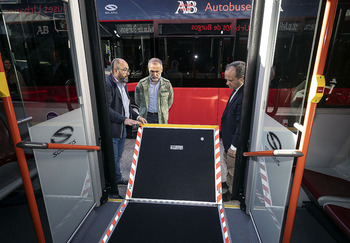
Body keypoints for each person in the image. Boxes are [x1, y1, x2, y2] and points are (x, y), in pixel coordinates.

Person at [106, 58, 147, 185]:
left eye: (128, 70)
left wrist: (137, 117)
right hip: (113, 129)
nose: (128, 73)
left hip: (121, 129)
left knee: (118, 157)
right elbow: (107, 110)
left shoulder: (122, 84)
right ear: (115, 70)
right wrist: (125, 120)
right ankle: (114, 184)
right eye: (125, 70)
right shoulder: (108, 84)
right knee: (113, 159)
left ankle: (117, 180)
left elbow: (127, 106)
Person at [220, 61, 245, 202]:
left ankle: (231, 192)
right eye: (226, 79)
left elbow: (240, 124)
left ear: (241, 78)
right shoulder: (237, 90)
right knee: (228, 163)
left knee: (232, 167)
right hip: (228, 139)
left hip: (233, 143)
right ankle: (228, 183)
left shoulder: (242, 96)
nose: (227, 83)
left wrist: (234, 146)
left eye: (230, 80)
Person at [135, 58, 174, 124]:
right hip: (146, 117)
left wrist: (163, 110)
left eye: (157, 71)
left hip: (161, 117)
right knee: (147, 134)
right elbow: (137, 101)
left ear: (161, 70)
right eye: (152, 71)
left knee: (161, 134)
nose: (155, 74)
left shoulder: (167, 84)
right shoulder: (141, 84)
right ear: (148, 70)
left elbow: (170, 101)